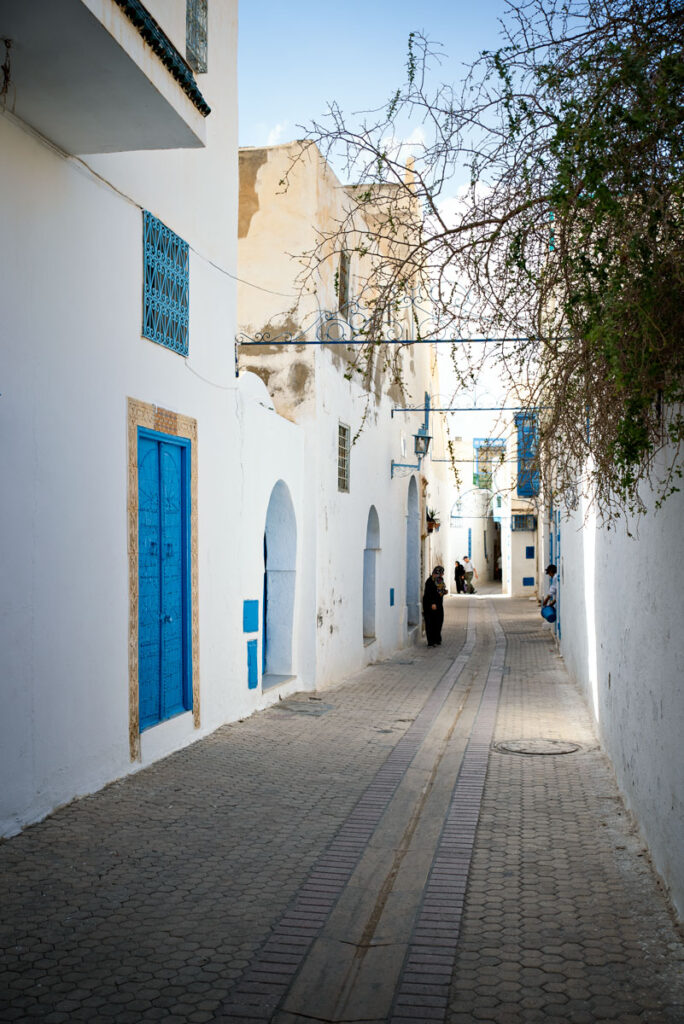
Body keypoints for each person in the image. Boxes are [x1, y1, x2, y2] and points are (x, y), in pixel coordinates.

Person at [423, 565, 448, 647]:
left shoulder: (440, 580)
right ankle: (431, 641)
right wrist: (432, 603)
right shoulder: (430, 581)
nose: (443, 574)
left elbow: (440, 590)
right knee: (430, 622)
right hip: (430, 605)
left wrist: (444, 592)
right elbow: (428, 594)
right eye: (441, 573)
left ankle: (437, 638)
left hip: (439, 604)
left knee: (439, 621)